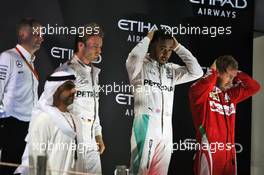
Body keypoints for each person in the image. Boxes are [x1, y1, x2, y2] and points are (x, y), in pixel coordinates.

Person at [126, 30, 203, 175]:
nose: (166, 54)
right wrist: (149, 37)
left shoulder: (171, 69)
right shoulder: (139, 66)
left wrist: (178, 47)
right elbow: (135, 56)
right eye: (162, 48)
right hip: (145, 124)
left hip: (167, 130)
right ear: (152, 45)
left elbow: (197, 72)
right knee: (139, 172)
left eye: (169, 50)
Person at [189, 55, 261, 175]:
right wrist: (212, 72)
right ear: (218, 72)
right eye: (228, 76)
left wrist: (236, 73)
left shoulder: (231, 95)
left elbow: (254, 87)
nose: (231, 81)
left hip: (229, 155)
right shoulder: (202, 92)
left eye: (233, 78)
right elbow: (200, 86)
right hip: (210, 154)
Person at [56, 23, 105, 174]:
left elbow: (93, 107)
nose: (99, 50)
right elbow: (56, 109)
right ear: (81, 45)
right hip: (73, 144)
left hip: (91, 144)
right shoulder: (67, 70)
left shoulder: (93, 73)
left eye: (100, 46)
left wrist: (98, 134)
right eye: (95, 46)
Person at [0, 18, 44, 174]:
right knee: (8, 169)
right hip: (12, 125)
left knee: (27, 170)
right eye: (37, 34)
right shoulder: (8, 57)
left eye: (42, 35)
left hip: (30, 127)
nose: (41, 38)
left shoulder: (30, 61)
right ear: (23, 34)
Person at [27, 71, 85, 175]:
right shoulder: (44, 119)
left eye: (74, 86)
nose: (73, 90)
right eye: (68, 87)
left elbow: (80, 156)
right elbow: (37, 156)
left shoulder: (77, 120)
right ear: (54, 90)